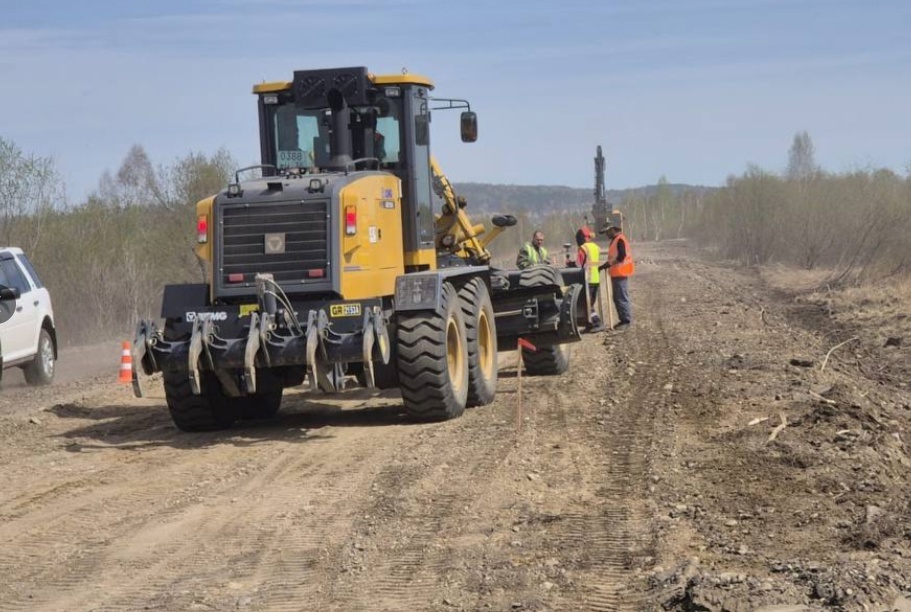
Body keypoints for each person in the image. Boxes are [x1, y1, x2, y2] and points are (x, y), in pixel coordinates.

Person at [599, 223, 635, 328]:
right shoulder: (615, 240)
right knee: (617, 297)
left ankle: (626, 321)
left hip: (621, 272)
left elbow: (621, 256)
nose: (606, 234)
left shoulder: (620, 240)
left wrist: (608, 264)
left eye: (607, 232)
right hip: (616, 273)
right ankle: (623, 319)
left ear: (612, 230)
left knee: (621, 297)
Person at [575, 226, 603, 331]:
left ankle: (597, 323)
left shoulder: (583, 248)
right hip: (596, 279)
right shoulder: (595, 247)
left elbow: (579, 264)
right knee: (590, 303)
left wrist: (571, 264)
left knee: (587, 304)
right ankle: (589, 325)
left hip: (588, 279)